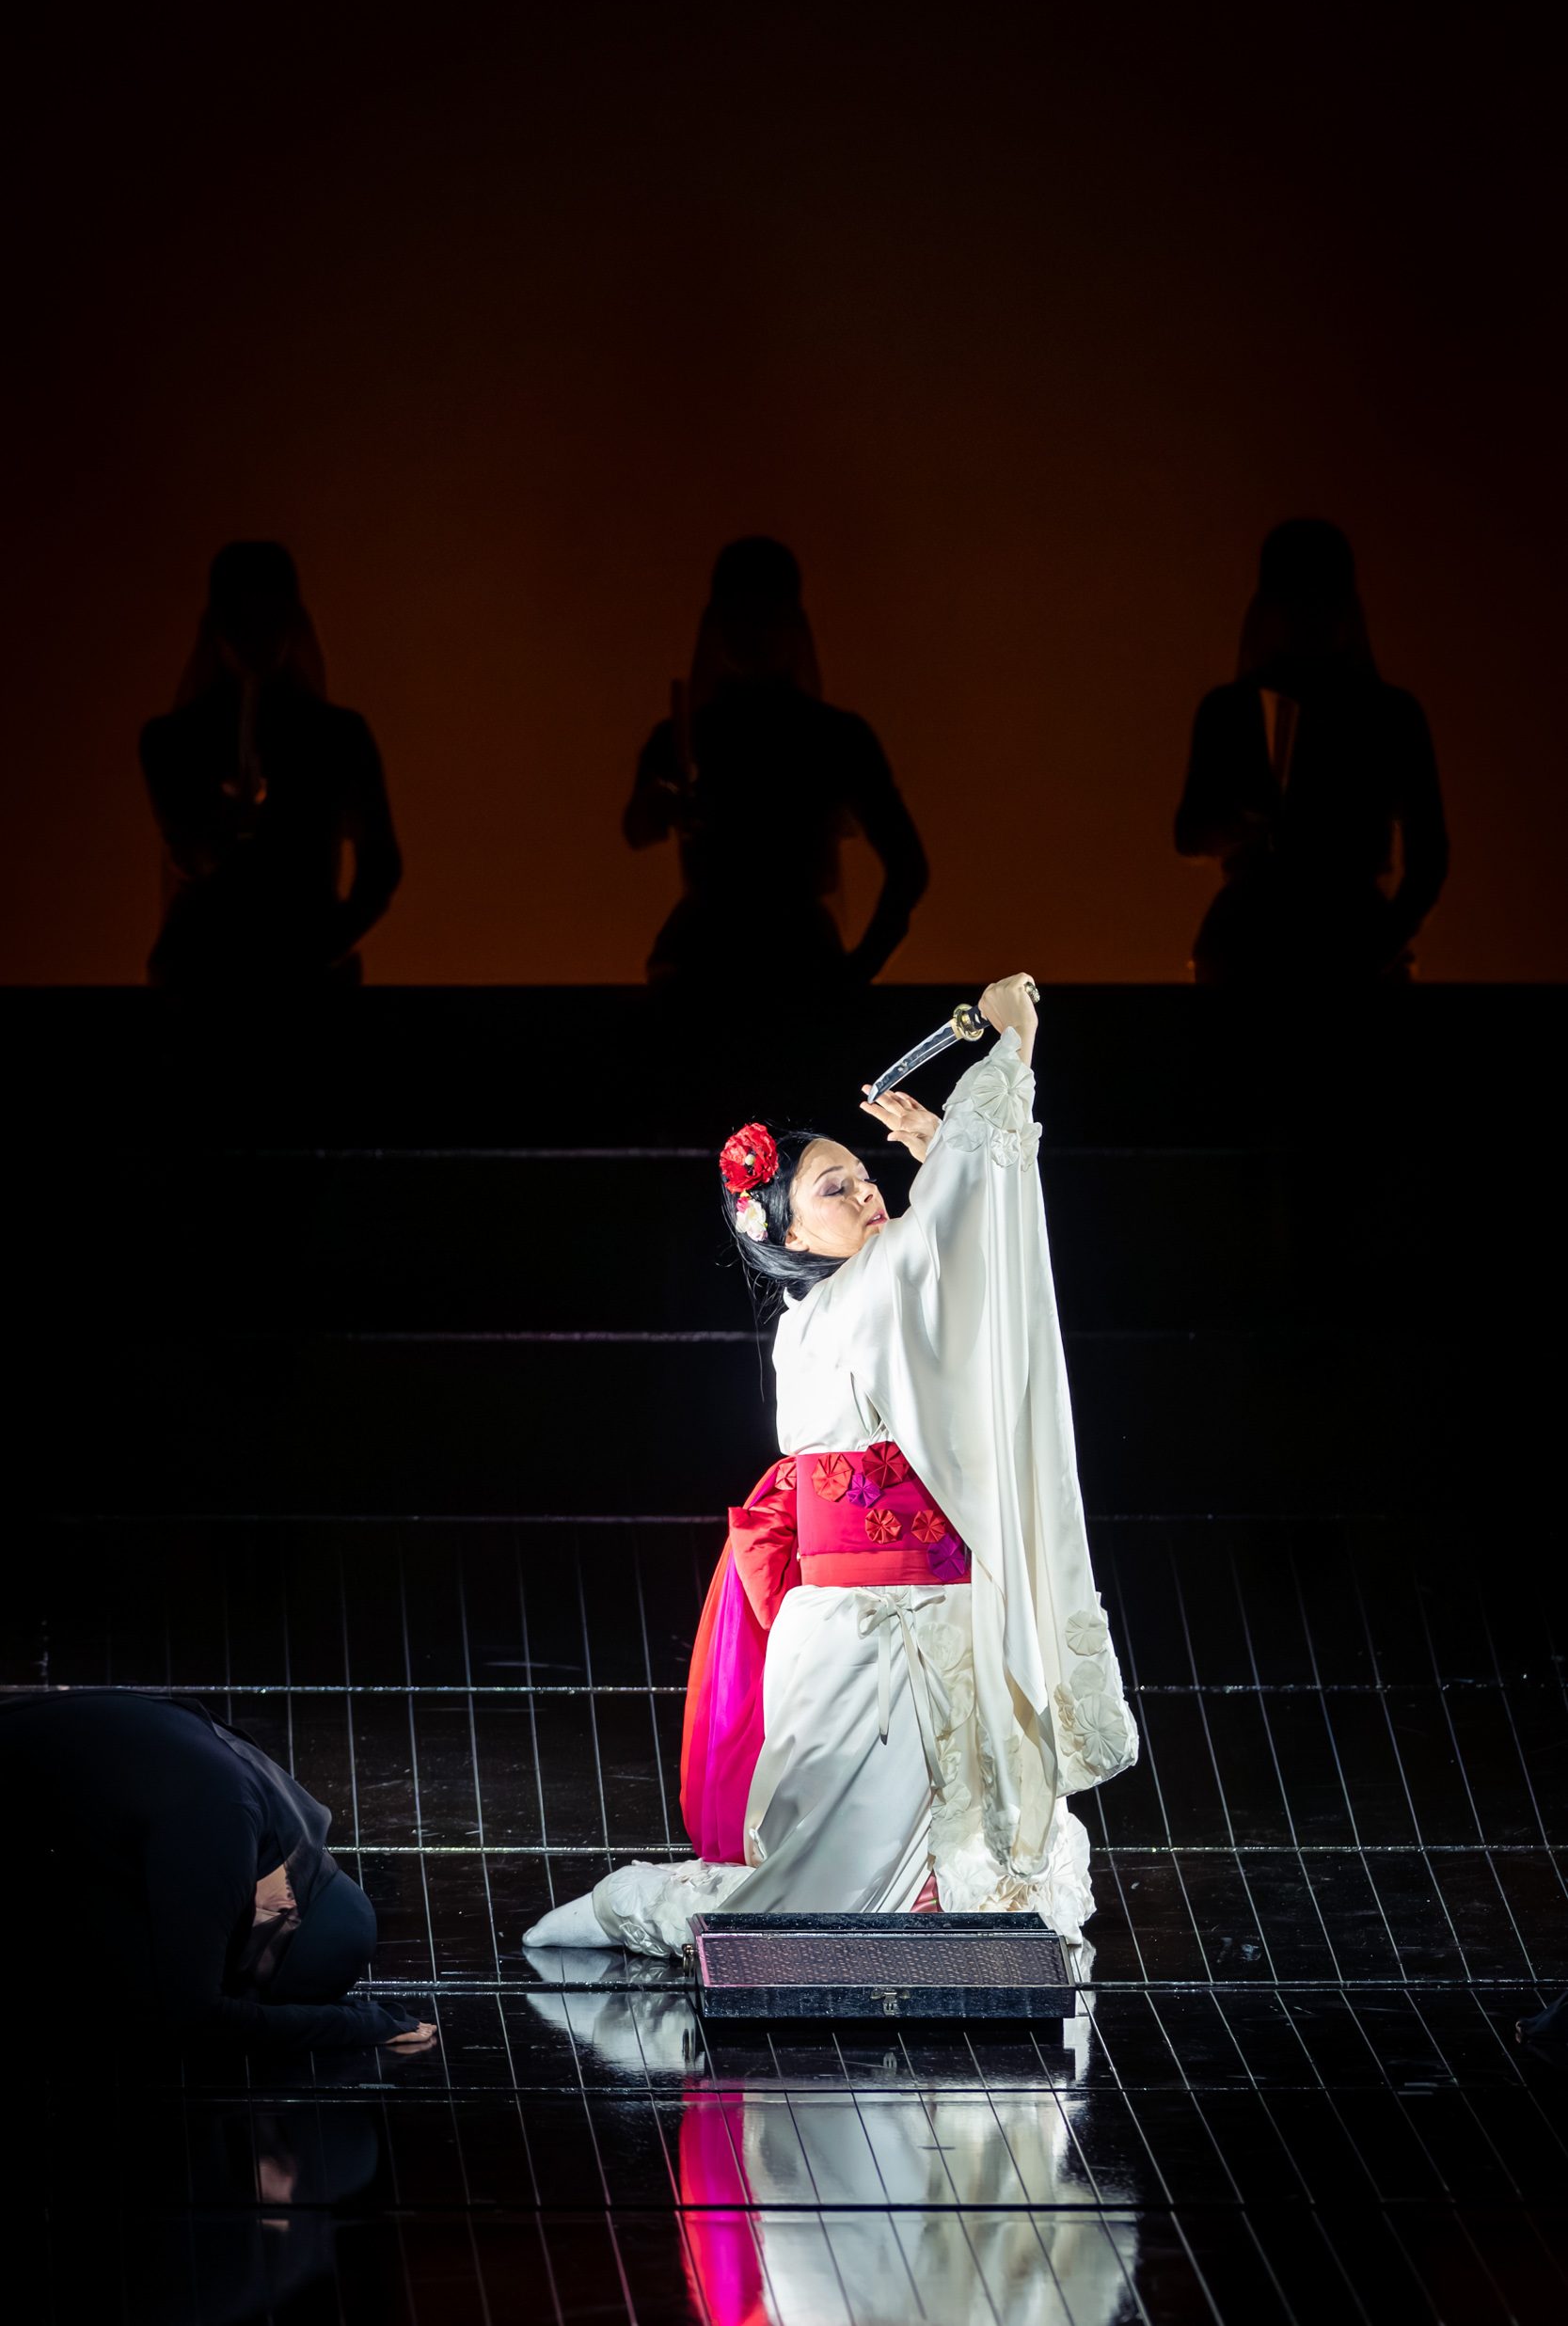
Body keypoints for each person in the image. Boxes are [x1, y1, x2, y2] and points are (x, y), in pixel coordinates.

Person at [524, 973, 1138, 1957]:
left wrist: (944, 1156)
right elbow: (949, 1230)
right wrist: (1008, 1048)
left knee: (984, 1887)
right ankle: (626, 1909)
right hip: (861, 1637)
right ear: (779, 1232)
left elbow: (960, 1267)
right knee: (804, 1909)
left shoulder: (872, 1291)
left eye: (864, 1176)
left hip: (940, 1617)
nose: (865, 1193)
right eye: (833, 1188)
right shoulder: (843, 1306)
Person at [0, 1688, 437, 2049]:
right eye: (253, 1969)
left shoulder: (280, 1813)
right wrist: (358, 2025)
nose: (240, 1974)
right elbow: (191, 2018)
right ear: (289, 1909)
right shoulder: (222, 1831)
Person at [624, 537, 927, 989]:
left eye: (765, 618)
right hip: (731, 963)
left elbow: (908, 865)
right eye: (740, 618)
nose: (753, 633)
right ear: (718, 627)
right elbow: (637, 828)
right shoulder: (684, 737)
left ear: (791, 627)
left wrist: (860, 970)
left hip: (760, 962)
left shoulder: (835, 738)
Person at [1175, 519, 1449, 984]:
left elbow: (1431, 860)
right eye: (1296, 598)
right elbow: (1190, 833)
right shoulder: (1387, 713)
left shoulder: (1232, 709)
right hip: (1281, 944)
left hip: (1256, 945)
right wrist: (1376, 947)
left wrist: (1376, 947)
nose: (1307, 612)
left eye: (1317, 597)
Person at [140, 542, 403, 986]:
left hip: (290, 981)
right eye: (243, 621)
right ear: (219, 627)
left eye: (271, 620)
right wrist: (228, 830)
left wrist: (318, 948)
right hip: (206, 982)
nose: (258, 638)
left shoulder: (340, 736)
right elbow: (190, 852)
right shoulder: (171, 741)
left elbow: (381, 867)